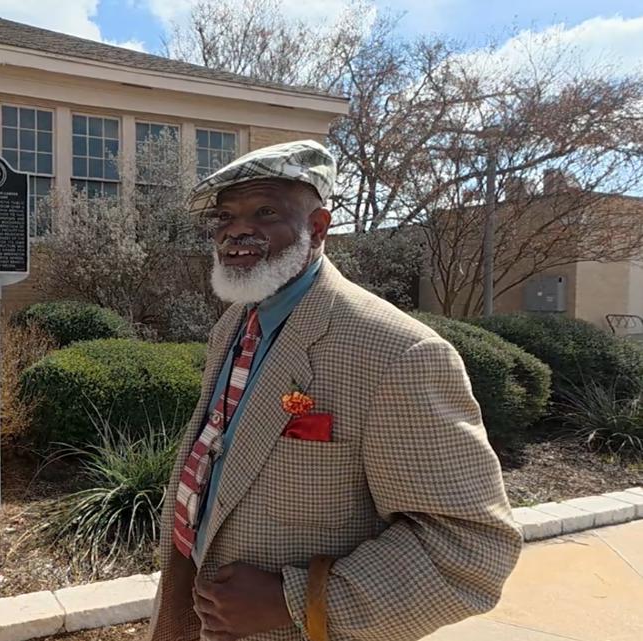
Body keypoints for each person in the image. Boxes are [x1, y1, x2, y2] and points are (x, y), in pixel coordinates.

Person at [148, 140, 522, 641]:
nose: (236, 229)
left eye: (265, 211)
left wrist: (295, 601)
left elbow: (471, 548)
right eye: (224, 216)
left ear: (318, 228)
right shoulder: (237, 321)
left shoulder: (400, 354)